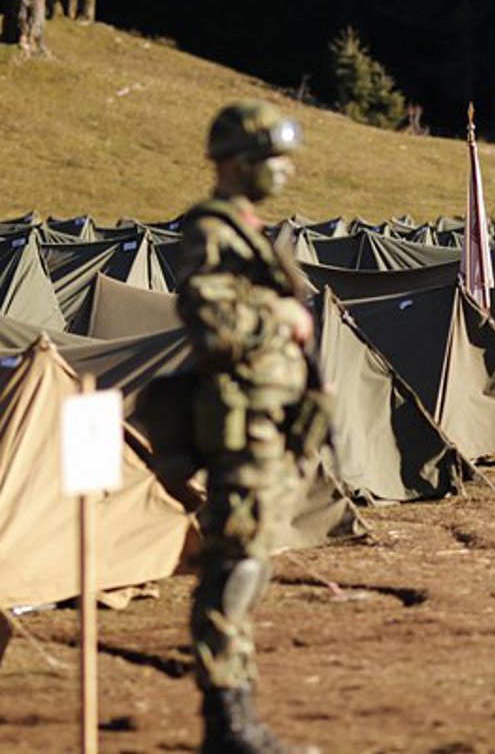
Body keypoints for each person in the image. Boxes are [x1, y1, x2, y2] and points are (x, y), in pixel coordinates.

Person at [177, 99, 321, 754]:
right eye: (271, 159)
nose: (284, 170)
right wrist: (279, 319)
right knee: (234, 568)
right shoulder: (212, 232)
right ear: (235, 164)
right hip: (242, 429)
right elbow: (211, 328)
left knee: (251, 564)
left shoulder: (250, 233)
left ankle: (239, 715)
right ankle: (227, 724)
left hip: (270, 426)